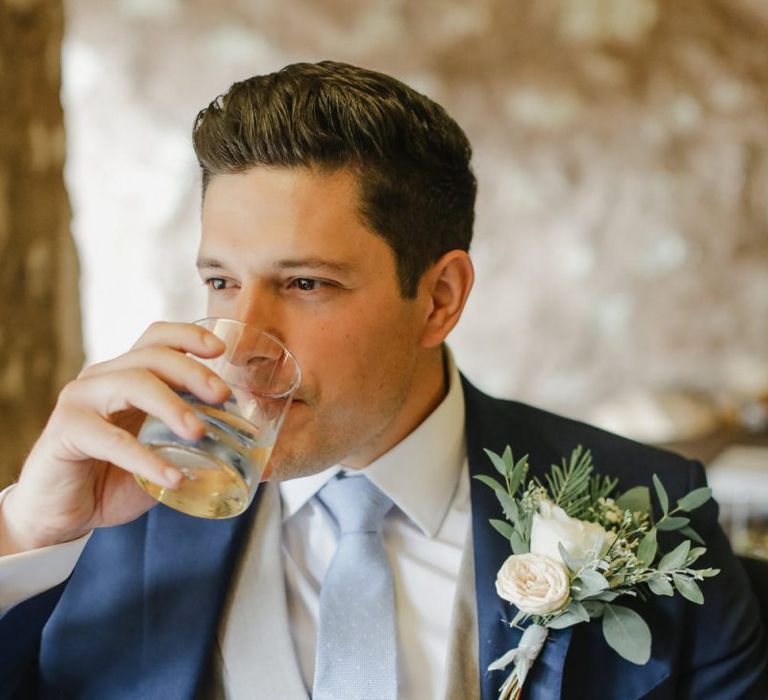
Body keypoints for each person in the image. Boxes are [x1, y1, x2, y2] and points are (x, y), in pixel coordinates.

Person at [0, 61, 765, 700]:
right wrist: (24, 535)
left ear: (439, 299)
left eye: (305, 284)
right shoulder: (107, 514)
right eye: (222, 283)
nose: (247, 348)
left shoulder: (648, 511)